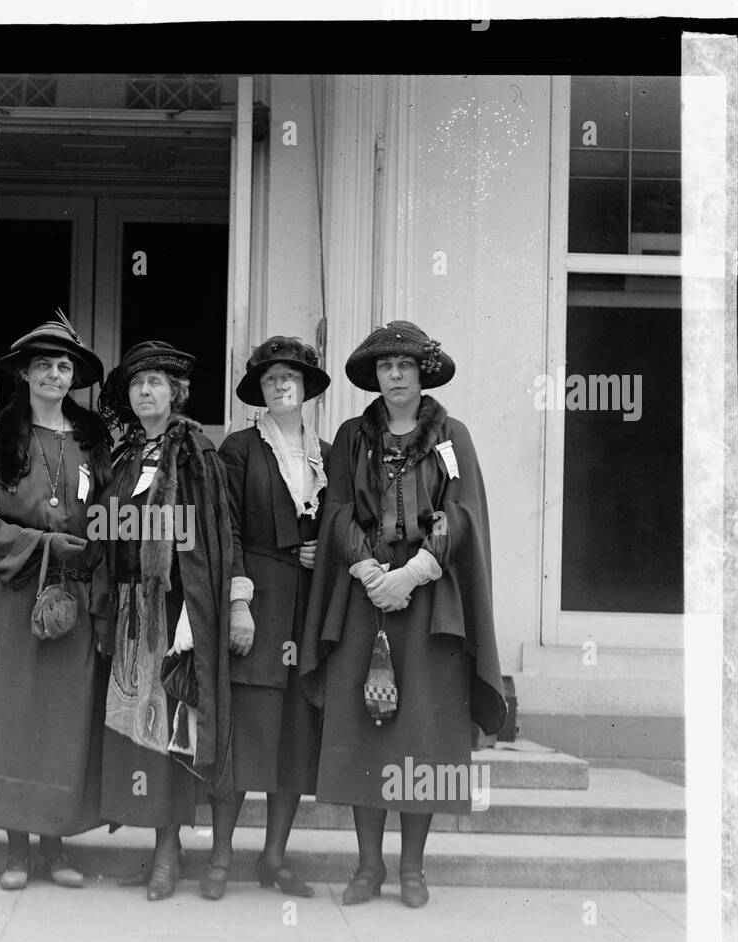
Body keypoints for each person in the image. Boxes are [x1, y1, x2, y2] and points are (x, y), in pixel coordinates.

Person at [300, 321, 506, 907]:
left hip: (429, 600)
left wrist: (415, 571)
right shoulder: (351, 436)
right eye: (385, 367)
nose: (394, 375)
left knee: (421, 731)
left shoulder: (451, 436)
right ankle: (368, 868)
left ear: (421, 375)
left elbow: (461, 512)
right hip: (364, 599)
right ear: (376, 377)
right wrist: (369, 571)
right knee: (366, 731)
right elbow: (337, 509)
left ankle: (413, 869)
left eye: (405, 367)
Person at [0, 314, 113, 890]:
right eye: (43, 364)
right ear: (24, 373)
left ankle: (55, 845)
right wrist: (41, 541)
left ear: (75, 376)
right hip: (8, 593)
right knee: (10, 719)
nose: (54, 373)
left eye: (64, 364)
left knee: (61, 719)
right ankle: (17, 850)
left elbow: (107, 512)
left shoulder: (94, 439)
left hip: (70, 593)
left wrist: (93, 549)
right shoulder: (3, 434)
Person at [92, 340, 244, 901]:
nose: (145, 393)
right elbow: (107, 526)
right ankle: (161, 847)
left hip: (176, 610)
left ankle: (167, 852)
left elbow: (221, 533)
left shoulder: (195, 452)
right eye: (136, 385)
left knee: (169, 732)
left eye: (155, 383)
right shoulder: (126, 454)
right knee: (137, 732)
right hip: (130, 609)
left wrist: (230, 602)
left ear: (175, 393)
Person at [213, 337, 331, 900]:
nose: (282, 386)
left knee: (293, 731)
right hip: (257, 598)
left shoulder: (328, 453)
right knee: (245, 730)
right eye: (270, 379)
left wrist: (321, 549)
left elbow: (342, 523)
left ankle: (275, 858)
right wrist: (238, 602)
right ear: (258, 391)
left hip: (306, 604)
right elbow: (227, 530)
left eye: (292, 377)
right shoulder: (238, 448)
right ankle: (219, 857)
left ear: (307, 389)